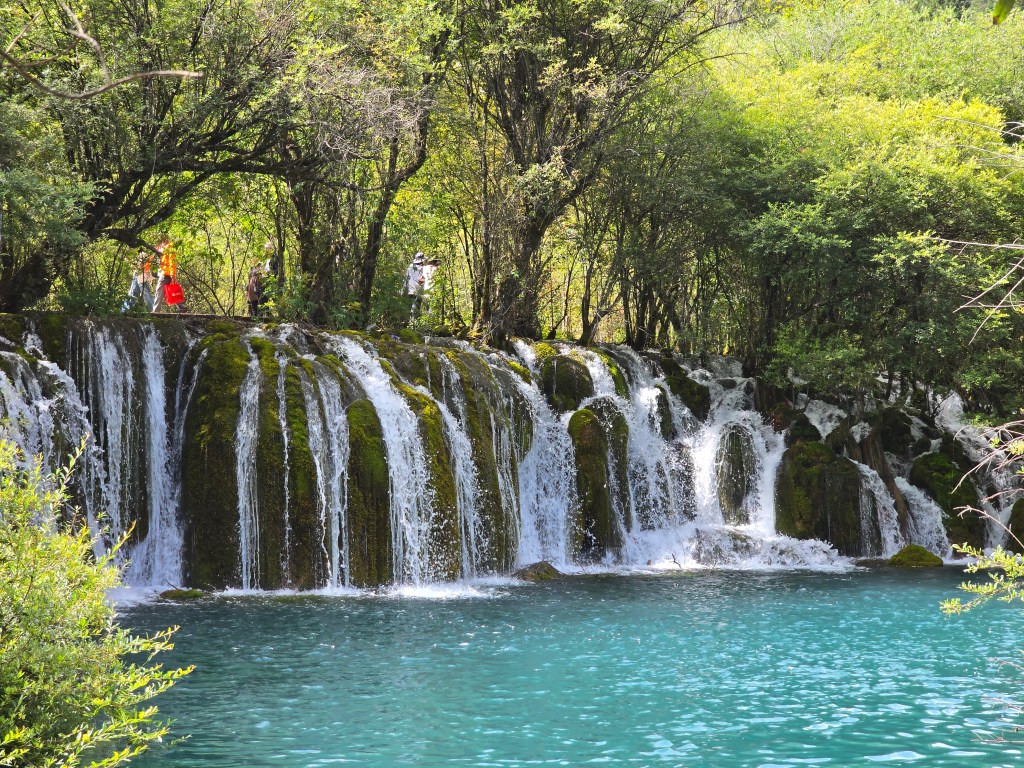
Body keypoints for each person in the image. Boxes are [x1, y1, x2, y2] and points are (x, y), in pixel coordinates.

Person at [150, 236, 178, 313]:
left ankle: (156, 311)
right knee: (170, 291)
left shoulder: (170, 247)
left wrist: (172, 274)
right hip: (164, 272)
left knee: (159, 291)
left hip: (166, 273)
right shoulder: (161, 246)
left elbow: (172, 261)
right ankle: (182, 307)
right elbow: (152, 257)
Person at [404, 252, 425, 317]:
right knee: (416, 309)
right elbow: (420, 280)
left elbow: (406, 279)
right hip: (417, 291)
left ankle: (408, 321)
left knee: (409, 308)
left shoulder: (409, 267)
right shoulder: (421, 268)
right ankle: (414, 322)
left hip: (409, 291)